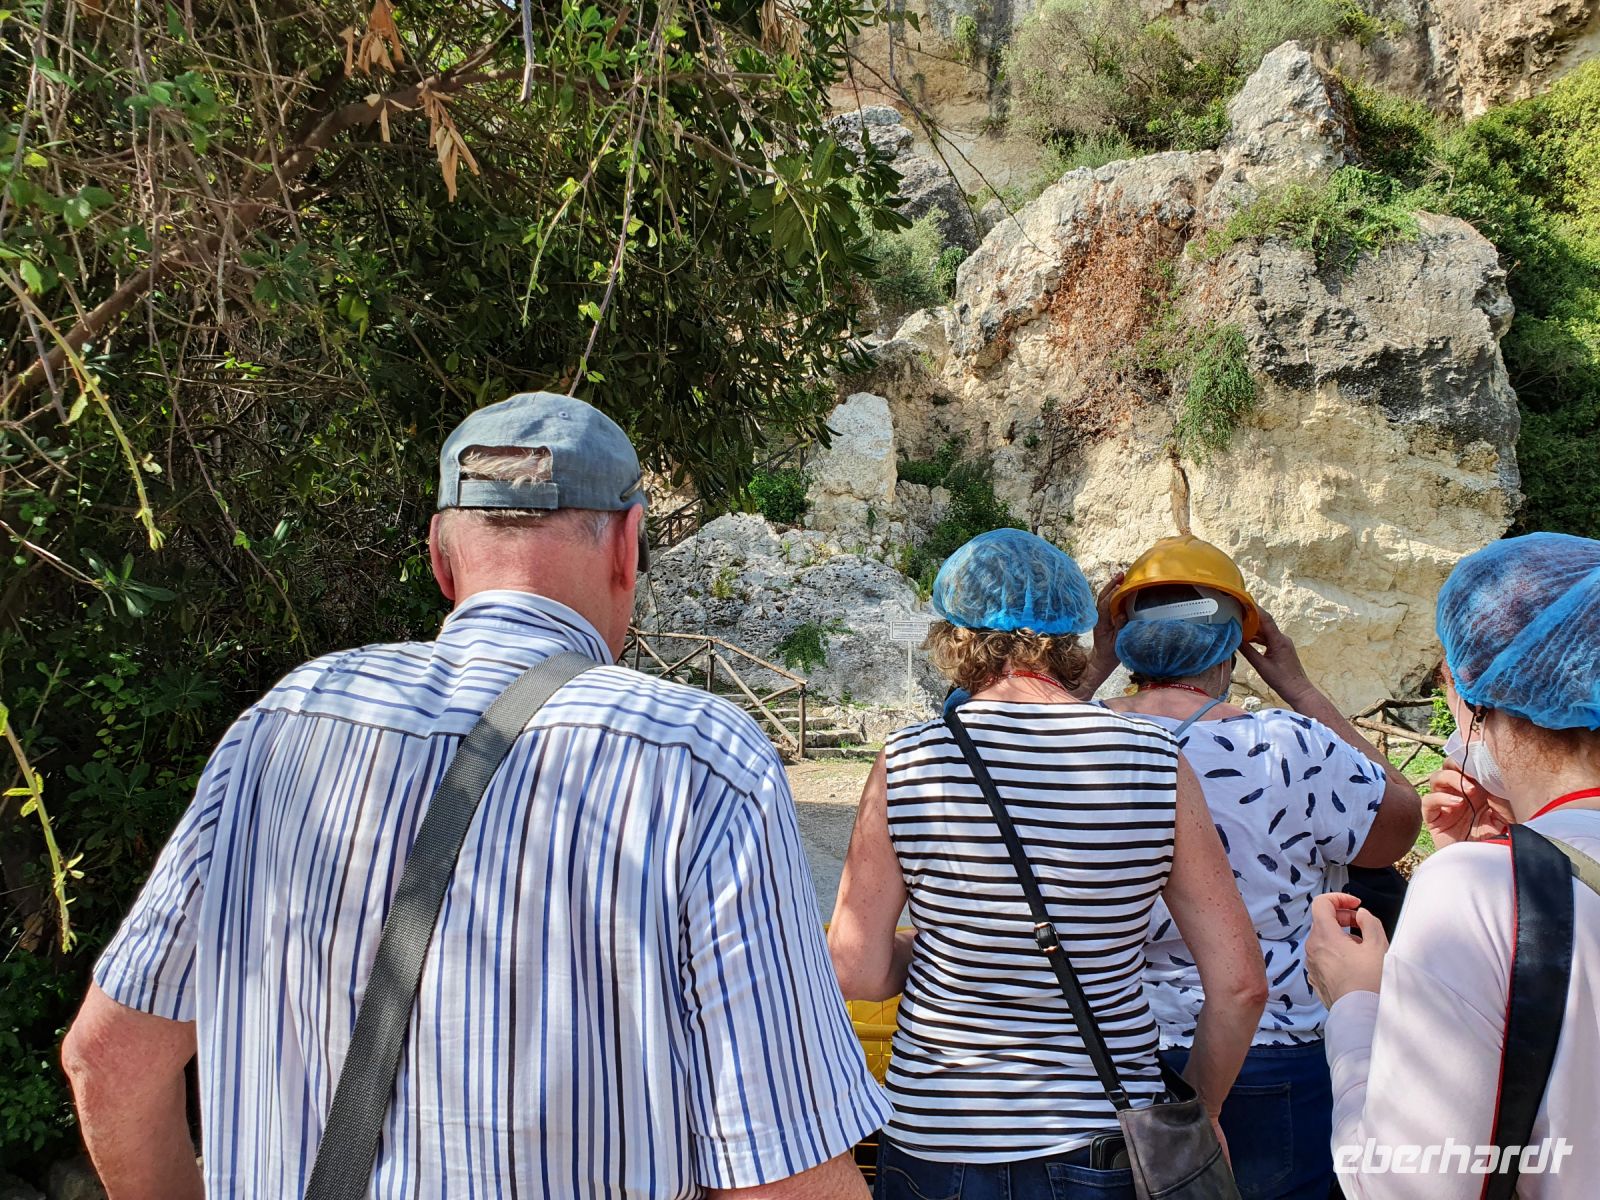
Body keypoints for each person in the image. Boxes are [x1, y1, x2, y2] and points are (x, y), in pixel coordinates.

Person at [61, 393, 889, 1200]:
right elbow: (783, 1174)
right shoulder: (700, 760)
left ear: (439, 556)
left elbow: (108, 1059)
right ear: (628, 545)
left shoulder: (281, 722)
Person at [827, 528, 1267, 1200]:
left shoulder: (911, 761)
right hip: (1103, 1139)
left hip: (938, 1139)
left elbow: (855, 969)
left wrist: (945, 946)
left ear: (953, 634)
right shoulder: (1152, 758)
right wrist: (1202, 1113)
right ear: (1075, 633)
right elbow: (1240, 986)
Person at [1077, 535, 1421, 1200]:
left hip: (1104, 1054)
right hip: (1272, 1052)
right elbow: (1398, 823)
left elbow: (997, 743)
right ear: (1234, 644)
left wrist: (1094, 667)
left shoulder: (1069, 743)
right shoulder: (1290, 745)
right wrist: (1297, 685)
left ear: (1123, 638)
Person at [1304, 531, 1600, 1199]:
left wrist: (1355, 1001)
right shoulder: (1498, 876)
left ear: (1476, 702)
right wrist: (1508, 857)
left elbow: (1407, 1183)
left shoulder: (1476, 887)